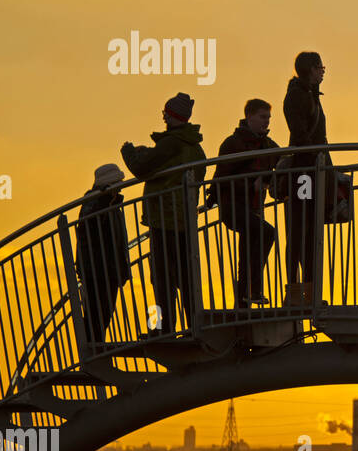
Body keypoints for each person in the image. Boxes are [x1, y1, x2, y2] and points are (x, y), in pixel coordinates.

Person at [120, 92, 207, 335]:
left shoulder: (172, 143)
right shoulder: (194, 146)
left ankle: (162, 327)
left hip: (164, 218)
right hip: (184, 219)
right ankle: (194, 325)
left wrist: (129, 152)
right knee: (185, 277)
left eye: (165, 114)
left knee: (161, 278)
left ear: (169, 116)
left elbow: (141, 168)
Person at [209, 99, 281, 307]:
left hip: (253, 207)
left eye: (268, 117)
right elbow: (221, 177)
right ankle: (254, 290)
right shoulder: (233, 143)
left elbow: (285, 160)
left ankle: (243, 300)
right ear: (249, 116)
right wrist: (251, 184)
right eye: (262, 117)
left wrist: (268, 179)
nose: (266, 122)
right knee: (266, 233)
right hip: (233, 206)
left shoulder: (267, 145)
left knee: (248, 250)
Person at [284, 51, 328, 303]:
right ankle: (294, 293)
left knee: (309, 232)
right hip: (304, 172)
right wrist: (318, 157)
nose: (323, 71)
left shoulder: (309, 95)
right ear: (310, 69)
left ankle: (309, 294)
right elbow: (301, 136)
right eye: (320, 67)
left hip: (311, 169)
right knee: (300, 231)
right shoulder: (297, 96)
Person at [74, 164, 131, 347]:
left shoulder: (112, 204)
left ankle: (95, 346)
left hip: (108, 268)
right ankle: (93, 347)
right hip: (97, 269)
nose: (121, 185)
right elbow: (87, 227)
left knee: (105, 311)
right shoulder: (94, 201)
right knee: (97, 312)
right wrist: (103, 200)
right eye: (118, 181)